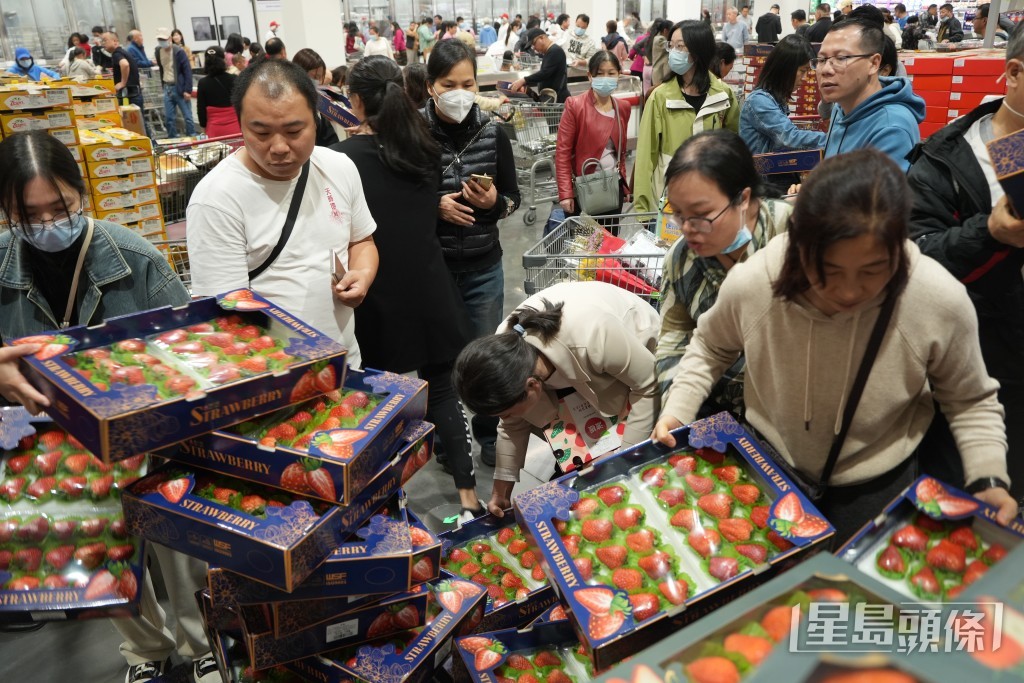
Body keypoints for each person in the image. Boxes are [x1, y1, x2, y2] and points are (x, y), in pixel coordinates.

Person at [653, 149, 1018, 545]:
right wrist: (677, 410)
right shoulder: (757, 281)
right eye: (827, 270)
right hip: (767, 464)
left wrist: (988, 478)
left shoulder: (935, 298)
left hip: (876, 481)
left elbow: (970, 399)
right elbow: (710, 345)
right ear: (799, 248)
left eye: (873, 270)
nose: (848, 290)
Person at [0, 131, 220, 683]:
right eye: (29, 215)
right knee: (99, 548)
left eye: (61, 208)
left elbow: (192, 349)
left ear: (81, 192)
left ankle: (203, 643)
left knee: (178, 546)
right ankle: (145, 651)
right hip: (53, 441)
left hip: (147, 430)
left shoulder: (134, 259)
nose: (48, 224)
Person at [332, 55, 477, 524]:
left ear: (355, 101)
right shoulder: (424, 147)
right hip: (431, 286)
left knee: (379, 402)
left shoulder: (343, 160)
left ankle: (389, 508)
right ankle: (469, 499)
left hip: (377, 293)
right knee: (442, 391)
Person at [186, 58, 378, 369]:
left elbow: (362, 241)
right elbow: (224, 319)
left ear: (316, 120)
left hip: (345, 365)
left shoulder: (339, 167)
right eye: (261, 133)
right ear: (240, 124)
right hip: (272, 378)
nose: (278, 147)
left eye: (293, 130)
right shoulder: (216, 199)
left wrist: (362, 275)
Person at [906, 20, 1024, 498]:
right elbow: (915, 259)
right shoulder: (947, 159)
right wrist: (990, 233)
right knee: (966, 503)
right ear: (1013, 73)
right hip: (977, 369)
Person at [453, 281, 661, 516]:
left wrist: (623, 459)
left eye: (507, 412)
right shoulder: (506, 352)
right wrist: (501, 490)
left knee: (631, 463)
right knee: (585, 465)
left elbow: (649, 386)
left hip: (640, 350)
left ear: (532, 385)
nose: (505, 418)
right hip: (581, 366)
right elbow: (511, 425)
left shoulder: (593, 336)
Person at [422, 39, 521, 471]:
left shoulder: (493, 132)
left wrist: (494, 204)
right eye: (449, 85)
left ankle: (488, 435)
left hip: (484, 268)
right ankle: (446, 441)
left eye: (468, 84)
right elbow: (399, 201)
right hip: (434, 271)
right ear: (431, 86)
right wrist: (434, 206)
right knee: (439, 363)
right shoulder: (413, 134)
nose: (460, 93)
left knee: (485, 358)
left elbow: (514, 198)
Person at [656, 130, 793, 407]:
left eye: (701, 215)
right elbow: (674, 339)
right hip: (716, 404)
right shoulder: (681, 259)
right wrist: (676, 409)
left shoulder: (792, 234)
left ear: (743, 199)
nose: (687, 228)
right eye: (678, 214)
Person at [634, 20, 740, 214]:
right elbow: (645, 155)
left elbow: (733, 145)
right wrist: (642, 210)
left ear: (699, 50)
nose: (673, 52)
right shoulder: (660, 97)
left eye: (680, 46)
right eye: (671, 45)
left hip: (712, 195)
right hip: (669, 200)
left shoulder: (724, 94)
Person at [818, 8, 924, 171]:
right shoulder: (841, 107)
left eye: (841, 58)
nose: (826, 69)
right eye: (821, 59)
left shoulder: (891, 128)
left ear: (874, 64)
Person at [555, 51, 631, 216]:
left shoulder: (622, 108)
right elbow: (562, 152)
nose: (606, 78)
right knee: (584, 233)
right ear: (590, 76)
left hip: (612, 187)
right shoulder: (575, 105)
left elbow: (621, 153)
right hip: (584, 188)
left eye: (611, 73)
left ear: (619, 74)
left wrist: (624, 186)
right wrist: (566, 193)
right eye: (600, 73)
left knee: (610, 232)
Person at [740, 34, 826, 155]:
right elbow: (789, 137)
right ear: (785, 68)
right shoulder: (759, 101)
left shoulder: (776, 99)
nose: (805, 78)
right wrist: (832, 139)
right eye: (802, 71)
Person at [102, 32, 153, 139]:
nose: (103, 43)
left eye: (105, 40)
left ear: (115, 41)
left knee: (135, 123)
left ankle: (149, 144)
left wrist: (122, 83)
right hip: (133, 93)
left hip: (129, 95)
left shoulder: (117, 54)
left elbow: (125, 64)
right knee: (140, 122)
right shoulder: (123, 52)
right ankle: (150, 144)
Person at [154, 28, 197, 138]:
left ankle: (192, 137)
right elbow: (161, 68)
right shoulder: (158, 51)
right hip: (167, 87)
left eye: (163, 39)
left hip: (180, 88)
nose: (162, 41)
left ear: (169, 38)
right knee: (169, 118)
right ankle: (172, 139)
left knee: (188, 117)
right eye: (159, 39)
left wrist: (187, 90)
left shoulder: (178, 51)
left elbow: (187, 71)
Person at [508, 29, 570, 102]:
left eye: (534, 43)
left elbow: (544, 73)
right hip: (551, 98)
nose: (534, 48)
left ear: (542, 38)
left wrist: (523, 80)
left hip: (558, 98)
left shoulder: (555, 51)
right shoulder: (549, 52)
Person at [196, 46, 240, 137]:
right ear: (223, 60)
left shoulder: (203, 83)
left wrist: (203, 127)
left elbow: (201, 109)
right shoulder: (234, 79)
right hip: (235, 128)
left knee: (217, 146)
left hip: (214, 130)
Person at [649, 18, 673, 88]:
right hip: (660, 73)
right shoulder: (659, 39)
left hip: (662, 72)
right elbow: (671, 46)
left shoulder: (659, 38)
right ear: (665, 31)